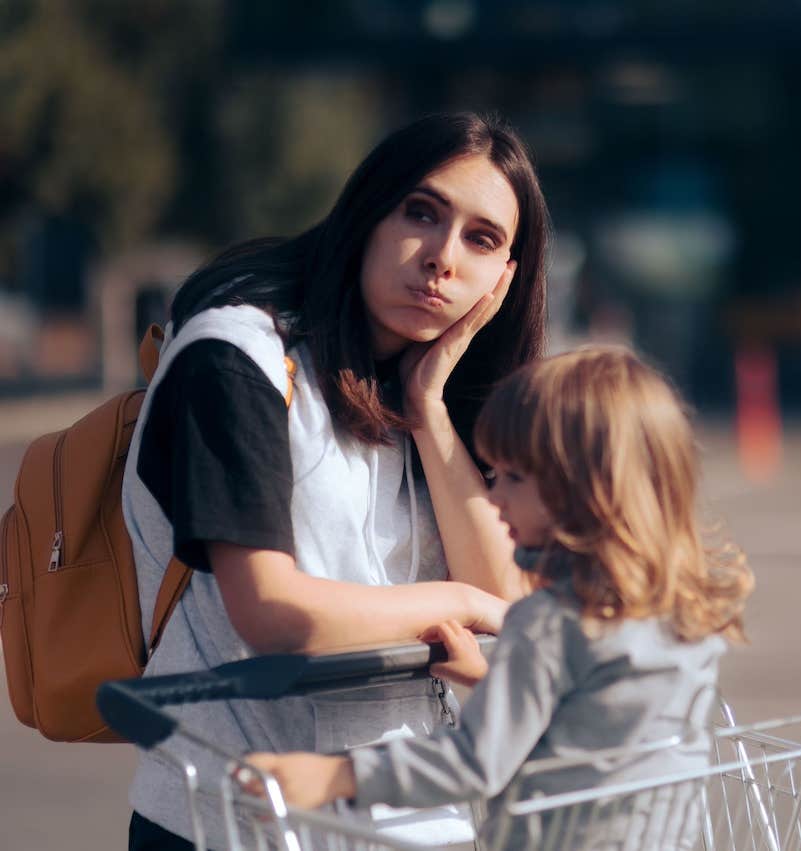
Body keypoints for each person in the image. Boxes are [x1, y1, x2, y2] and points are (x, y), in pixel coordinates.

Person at [122, 111, 550, 849]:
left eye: (482, 239)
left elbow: (507, 607)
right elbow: (271, 610)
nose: (443, 258)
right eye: (422, 212)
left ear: (504, 280)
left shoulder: (434, 397)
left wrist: (428, 410)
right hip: (231, 819)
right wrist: (459, 600)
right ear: (367, 212)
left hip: (414, 822)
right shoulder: (237, 354)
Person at [241, 346, 755, 849]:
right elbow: (607, 724)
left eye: (512, 477)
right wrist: (493, 680)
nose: (493, 497)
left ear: (582, 490)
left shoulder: (549, 621)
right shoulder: (678, 608)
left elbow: (475, 762)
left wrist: (336, 776)